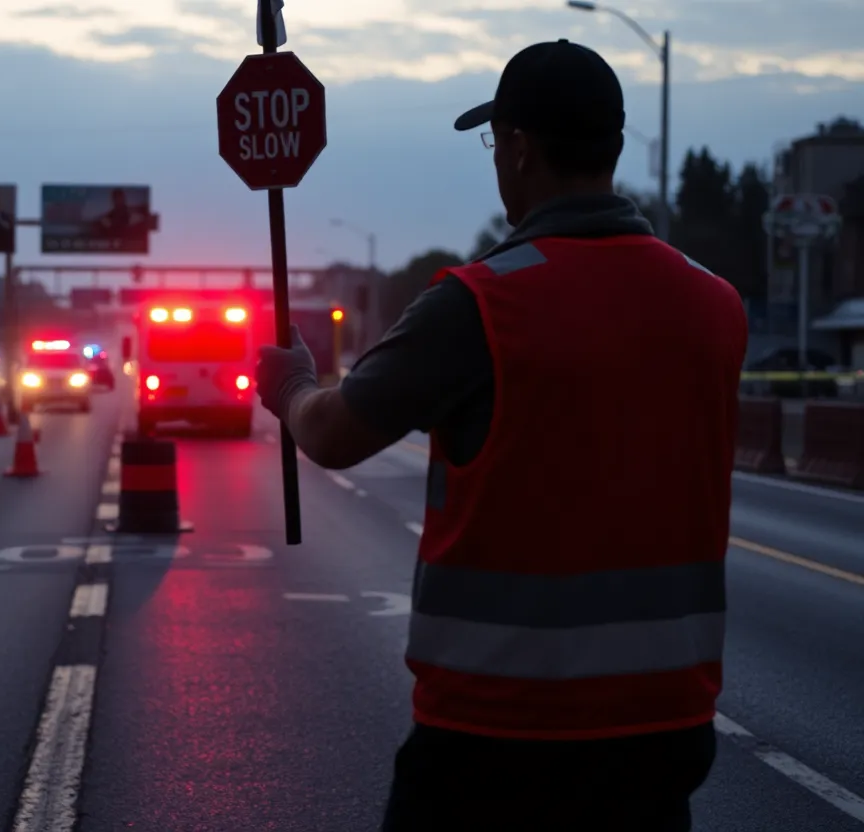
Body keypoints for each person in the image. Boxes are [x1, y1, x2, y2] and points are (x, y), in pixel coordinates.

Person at [255, 39, 747, 831]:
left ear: (517, 148)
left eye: (495, 142)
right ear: (612, 147)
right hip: (667, 732)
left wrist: (289, 386)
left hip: (500, 736)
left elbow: (336, 435)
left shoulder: (481, 304)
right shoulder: (714, 303)